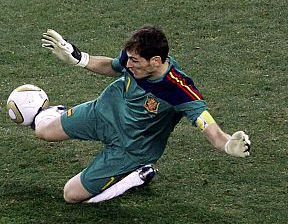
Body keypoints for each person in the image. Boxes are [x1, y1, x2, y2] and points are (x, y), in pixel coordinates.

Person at [33, 25, 250, 203]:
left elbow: (210, 130)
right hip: (102, 113)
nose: (128, 65)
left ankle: (136, 175)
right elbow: (113, 66)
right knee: (43, 131)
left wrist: (228, 144)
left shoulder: (180, 91)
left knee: (71, 194)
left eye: (134, 61)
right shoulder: (133, 58)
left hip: (131, 147)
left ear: (155, 61)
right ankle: (59, 112)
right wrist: (78, 58)